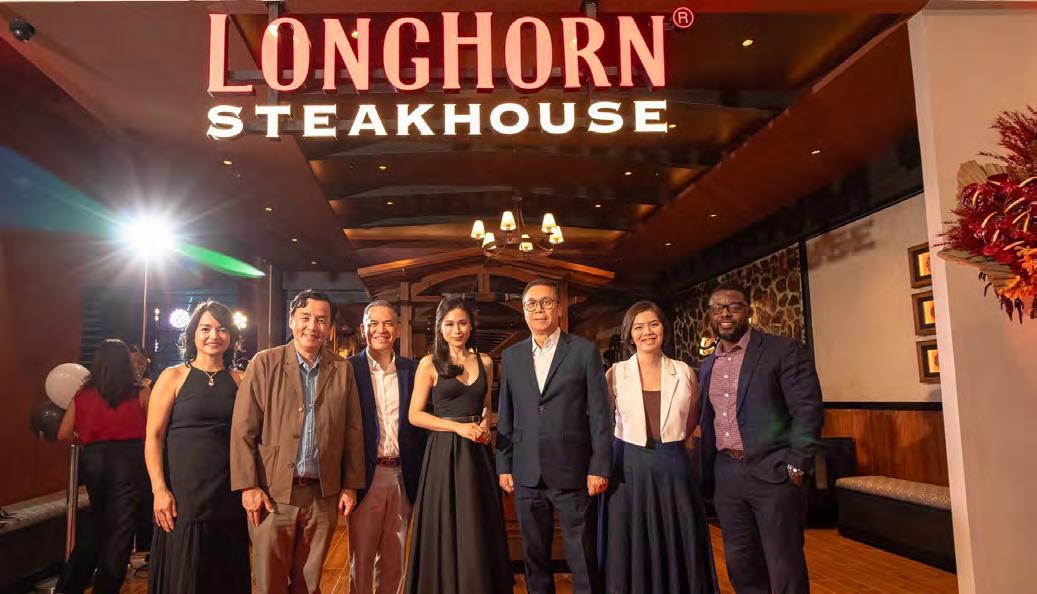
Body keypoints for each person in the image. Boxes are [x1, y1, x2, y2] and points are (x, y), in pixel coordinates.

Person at [231, 290, 365, 594]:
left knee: (309, 583)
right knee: (269, 583)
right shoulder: (265, 363)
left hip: (322, 495)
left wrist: (350, 485)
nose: (313, 326)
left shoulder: (341, 369)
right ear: (292, 320)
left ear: (329, 327)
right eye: (306, 317)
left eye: (321, 320)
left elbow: (353, 430)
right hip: (273, 493)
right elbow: (243, 429)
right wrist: (248, 486)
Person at [699, 283, 824, 594]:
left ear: (748, 311)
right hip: (726, 475)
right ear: (710, 316)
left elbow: (807, 409)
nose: (725, 313)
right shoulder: (707, 365)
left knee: (784, 565)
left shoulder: (782, 350)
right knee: (741, 563)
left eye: (733, 306)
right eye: (717, 308)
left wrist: (797, 464)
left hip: (774, 473)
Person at [496, 279, 613, 594]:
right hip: (526, 472)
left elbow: (601, 415)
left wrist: (600, 466)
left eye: (546, 302)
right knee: (534, 558)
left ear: (559, 309)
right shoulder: (511, 356)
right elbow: (506, 415)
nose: (539, 310)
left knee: (582, 556)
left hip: (573, 471)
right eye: (531, 304)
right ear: (524, 311)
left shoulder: (584, 351)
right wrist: (504, 465)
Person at [603, 301, 719, 594]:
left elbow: (690, 422)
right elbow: (603, 424)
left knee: (676, 542)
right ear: (629, 335)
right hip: (627, 471)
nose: (647, 332)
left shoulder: (684, 372)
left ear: (663, 329)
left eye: (653, 324)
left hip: (673, 469)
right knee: (632, 546)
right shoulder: (615, 374)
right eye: (638, 327)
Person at [403, 297, 511, 594]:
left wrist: (485, 427)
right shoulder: (429, 363)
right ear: (440, 327)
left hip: (477, 453)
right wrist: (457, 427)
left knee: (477, 522)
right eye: (449, 324)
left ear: (471, 326)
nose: (457, 330)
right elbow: (414, 415)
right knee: (449, 522)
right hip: (444, 453)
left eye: (462, 323)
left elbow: (486, 408)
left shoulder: (485, 362)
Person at [145, 301, 250, 594]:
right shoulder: (173, 376)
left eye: (221, 329)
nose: (213, 335)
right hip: (183, 494)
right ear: (193, 334)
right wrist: (159, 489)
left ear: (231, 337)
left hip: (227, 492)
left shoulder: (241, 380)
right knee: (185, 573)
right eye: (205, 329)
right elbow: (153, 437)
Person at [55, 339, 150, 594]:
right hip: (130, 459)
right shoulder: (140, 391)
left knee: (96, 523)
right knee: (121, 529)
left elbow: (63, 432)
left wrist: (88, 436)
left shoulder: (83, 394)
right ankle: (106, 588)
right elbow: (155, 430)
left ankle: (68, 587)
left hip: (94, 459)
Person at [347, 300, 427, 594]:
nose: (381, 330)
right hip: (365, 475)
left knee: (395, 559)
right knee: (361, 558)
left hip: (403, 474)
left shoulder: (413, 370)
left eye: (388, 323)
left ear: (398, 329)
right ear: (363, 329)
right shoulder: (348, 369)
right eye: (374, 323)